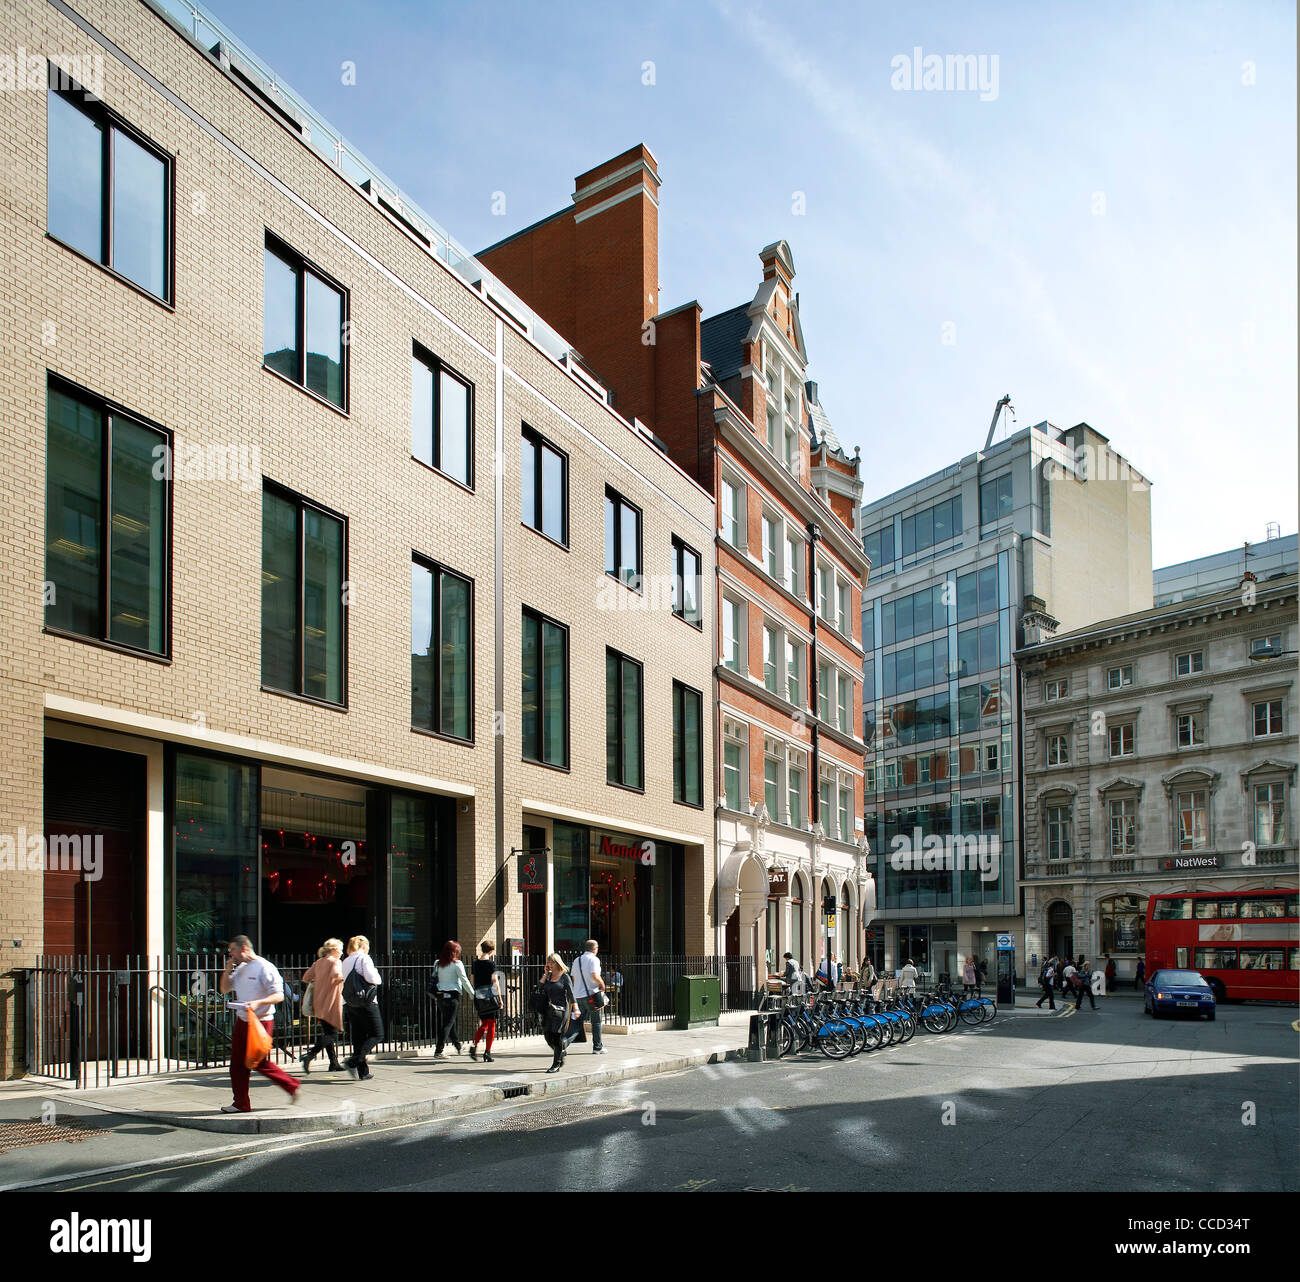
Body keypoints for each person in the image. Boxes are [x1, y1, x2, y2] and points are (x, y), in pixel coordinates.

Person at [218, 934, 299, 1113]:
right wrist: (227, 971)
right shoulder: (240, 968)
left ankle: (291, 1084)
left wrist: (257, 1003)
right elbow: (224, 989)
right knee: (237, 1064)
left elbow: (278, 995)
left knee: (258, 1062)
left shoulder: (265, 967)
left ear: (244, 948)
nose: (230, 954)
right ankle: (241, 1103)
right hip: (242, 1020)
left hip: (261, 1021)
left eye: (232, 950)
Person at [300, 938, 345, 1073]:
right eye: (340, 949)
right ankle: (310, 1055)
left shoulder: (318, 962)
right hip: (331, 1002)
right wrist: (341, 978)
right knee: (332, 1034)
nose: (341, 952)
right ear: (333, 950)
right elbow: (337, 975)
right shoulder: (335, 962)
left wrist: (320, 979)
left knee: (327, 1032)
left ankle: (333, 1063)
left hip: (318, 1003)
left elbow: (306, 978)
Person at [341, 935, 383, 1081]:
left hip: (351, 1003)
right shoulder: (364, 958)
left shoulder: (345, 961)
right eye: (368, 946)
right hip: (367, 1002)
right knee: (377, 1034)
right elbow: (375, 979)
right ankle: (353, 1061)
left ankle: (363, 1072)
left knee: (358, 1037)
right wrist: (376, 972)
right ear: (363, 946)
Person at [432, 940, 475, 1057]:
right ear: (455, 952)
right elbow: (464, 980)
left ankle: (458, 1046)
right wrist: (472, 995)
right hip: (452, 996)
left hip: (441, 995)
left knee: (450, 1022)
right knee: (448, 1023)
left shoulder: (437, 963)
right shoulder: (457, 964)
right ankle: (439, 1050)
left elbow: (434, 979)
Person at [538, 952, 579, 1074]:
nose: (549, 964)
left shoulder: (564, 977)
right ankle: (561, 1051)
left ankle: (556, 1064)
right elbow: (540, 988)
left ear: (557, 963)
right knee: (547, 1034)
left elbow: (571, 994)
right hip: (548, 1010)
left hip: (560, 1010)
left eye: (551, 962)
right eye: (548, 962)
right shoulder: (548, 977)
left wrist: (576, 1008)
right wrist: (545, 974)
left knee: (556, 1036)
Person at [569, 939, 608, 1055]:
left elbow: (573, 978)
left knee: (577, 1023)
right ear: (595, 949)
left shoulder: (577, 960)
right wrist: (602, 984)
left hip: (578, 995)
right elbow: (594, 975)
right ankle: (597, 1047)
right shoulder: (594, 959)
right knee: (596, 1022)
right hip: (591, 995)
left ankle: (563, 1043)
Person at [468, 941, 503, 1063]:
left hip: (479, 996)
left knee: (484, 1023)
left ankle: (474, 1044)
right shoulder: (491, 964)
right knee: (491, 1024)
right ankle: (487, 1052)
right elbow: (495, 981)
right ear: (491, 951)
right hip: (490, 996)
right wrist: (500, 998)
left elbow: (472, 980)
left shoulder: (475, 963)